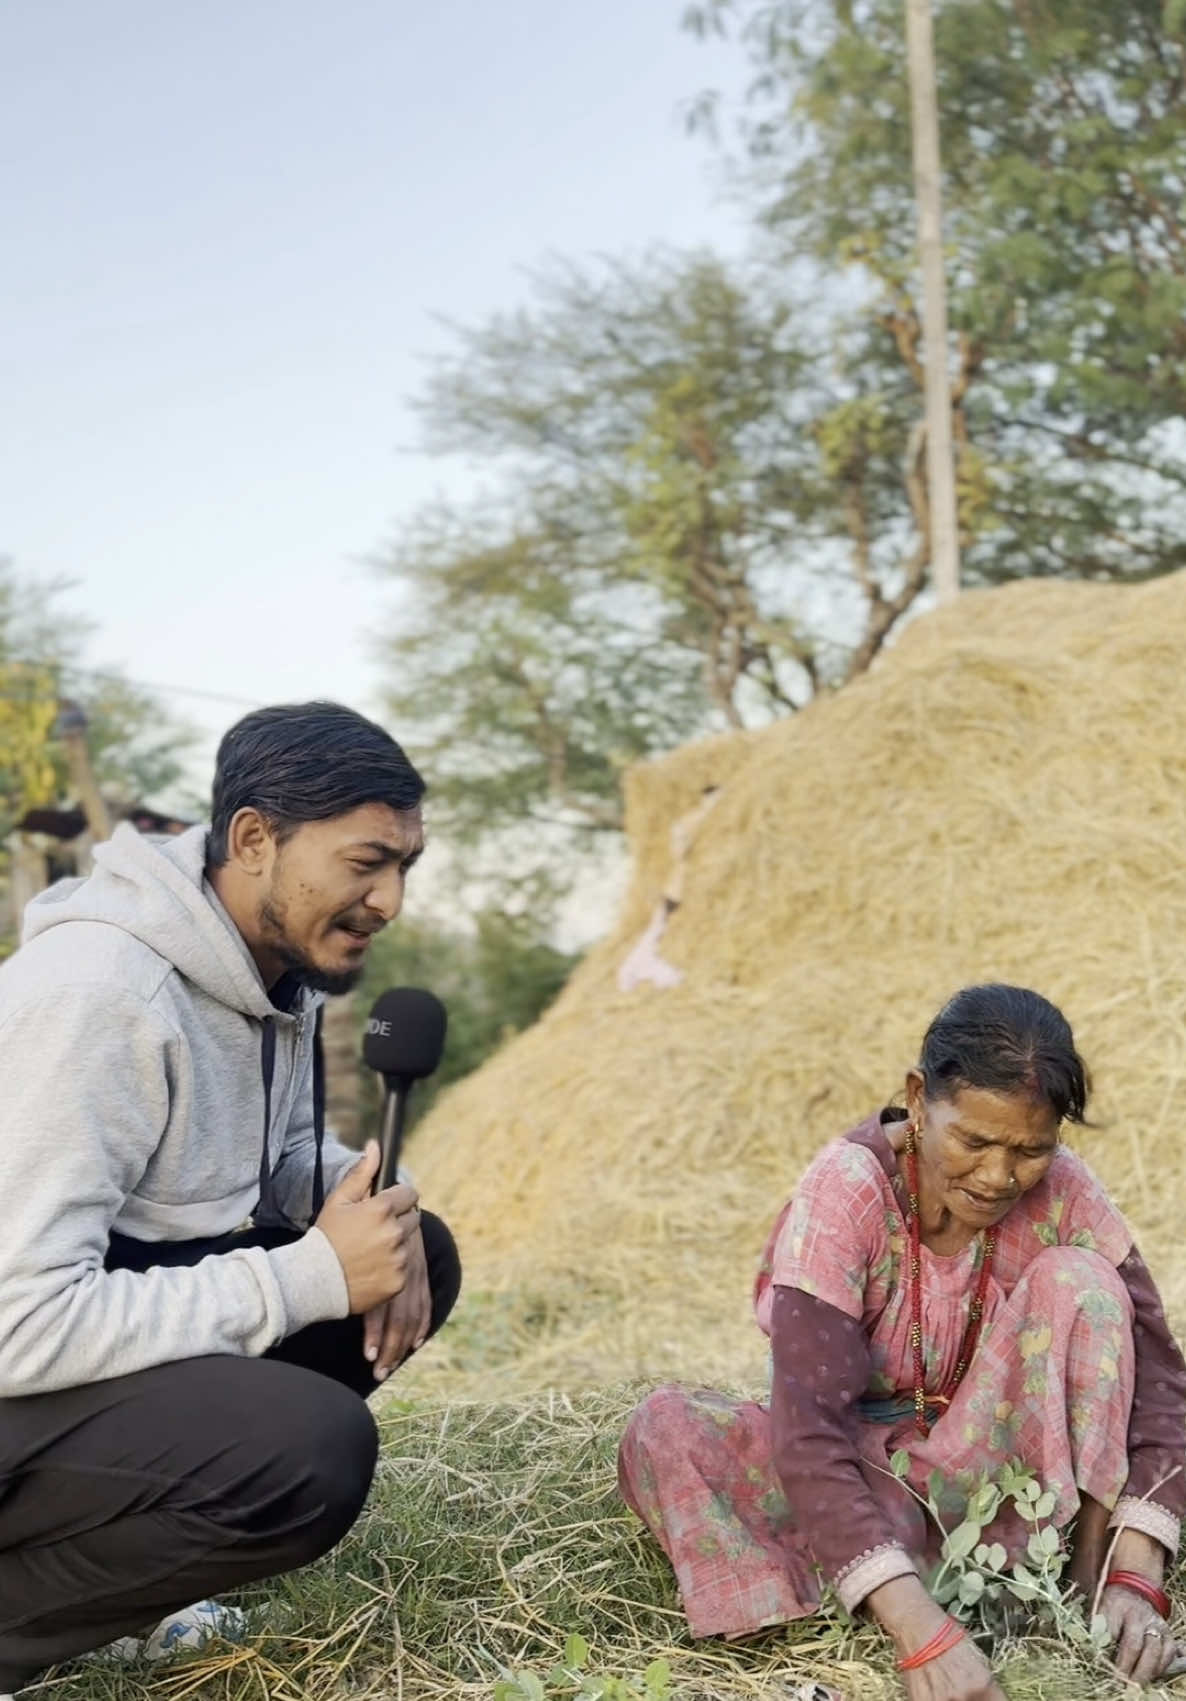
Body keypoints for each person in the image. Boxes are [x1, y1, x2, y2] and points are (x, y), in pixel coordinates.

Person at [0, 701, 461, 1696]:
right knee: (307, 1452)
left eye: (404, 869)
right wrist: (307, 1276)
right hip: (17, 1340)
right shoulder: (100, 993)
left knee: (415, 1242)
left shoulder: (269, 974)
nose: (388, 900)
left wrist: (374, 1204)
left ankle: (113, 1587)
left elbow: (270, 1159)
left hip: (72, 1330)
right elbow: (18, 1321)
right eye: (364, 862)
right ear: (255, 839)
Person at [619, 985, 1186, 1697]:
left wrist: (1137, 1573)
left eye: (1030, 1150)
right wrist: (922, 1634)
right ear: (919, 1098)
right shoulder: (846, 1189)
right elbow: (810, 1434)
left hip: (997, 1489)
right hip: (862, 1483)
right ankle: (890, 1593)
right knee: (668, 1427)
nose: (997, 1176)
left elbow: (1163, 1386)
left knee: (1086, 1285)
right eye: (974, 1140)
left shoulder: (1067, 1191)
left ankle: (1074, 1592)